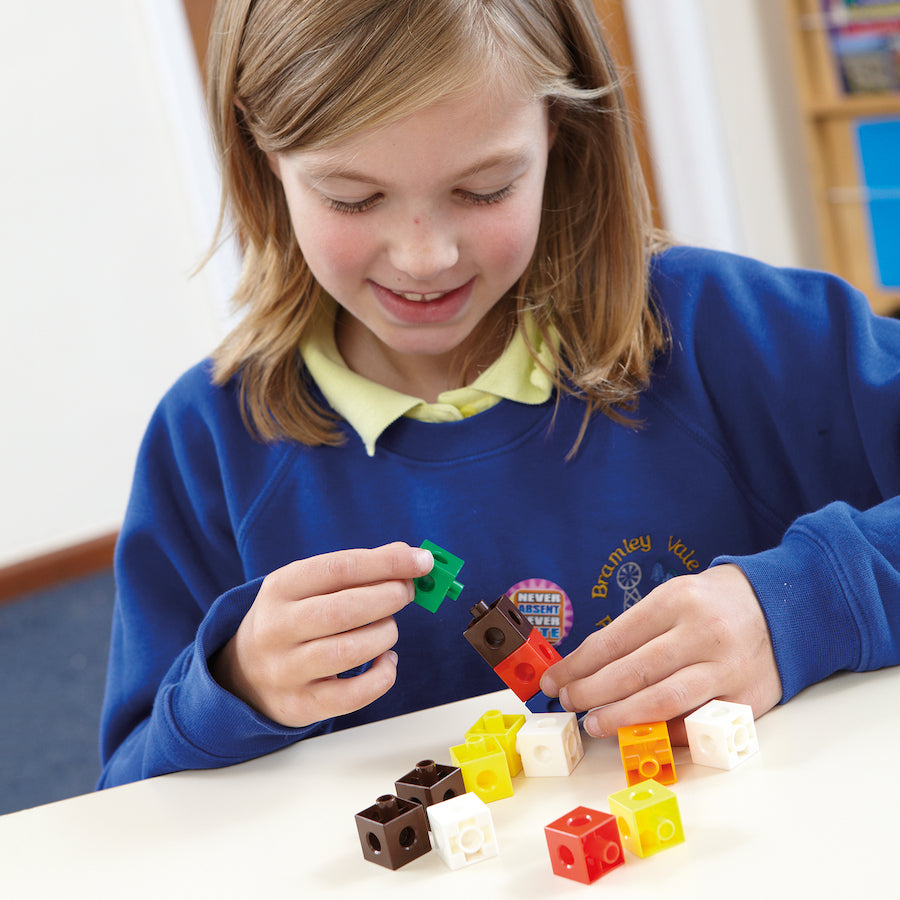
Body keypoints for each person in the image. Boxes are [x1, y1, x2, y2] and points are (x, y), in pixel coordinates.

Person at [98, 0, 900, 789]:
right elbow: (122, 806)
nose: (423, 256)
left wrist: (806, 602)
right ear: (259, 151)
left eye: (483, 189)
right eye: (352, 197)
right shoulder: (207, 443)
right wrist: (231, 689)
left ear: (558, 127)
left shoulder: (727, 333)